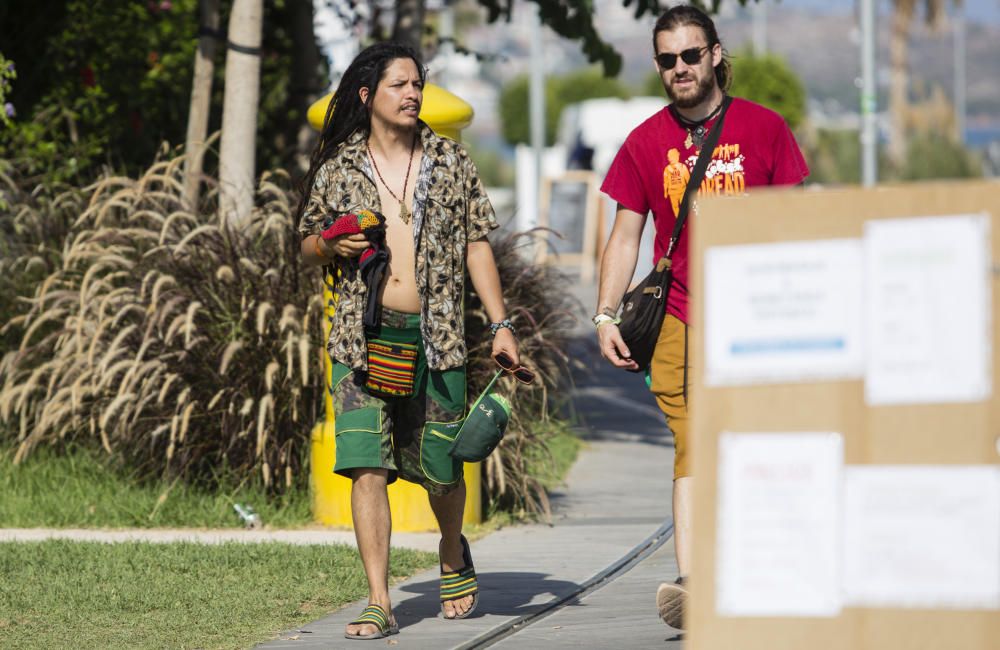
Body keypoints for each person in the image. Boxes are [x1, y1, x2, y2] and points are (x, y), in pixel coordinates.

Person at [594, 4, 809, 631]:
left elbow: (794, 228)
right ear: (658, 65)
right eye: (668, 59)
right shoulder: (644, 141)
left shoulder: (765, 129)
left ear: (716, 54)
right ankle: (692, 586)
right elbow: (625, 233)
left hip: (754, 315)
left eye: (692, 54)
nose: (681, 67)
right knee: (691, 442)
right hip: (679, 317)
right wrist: (606, 314)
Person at [297, 42, 519, 640]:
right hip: (360, 342)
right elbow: (306, 245)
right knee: (367, 469)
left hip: (438, 338)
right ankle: (378, 599)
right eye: (399, 84)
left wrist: (500, 326)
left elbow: (478, 245)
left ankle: (452, 547)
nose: (413, 93)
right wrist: (330, 245)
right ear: (368, 96)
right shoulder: (339, 167)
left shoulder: (450, 160)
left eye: (418, 84)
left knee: (442, 470)